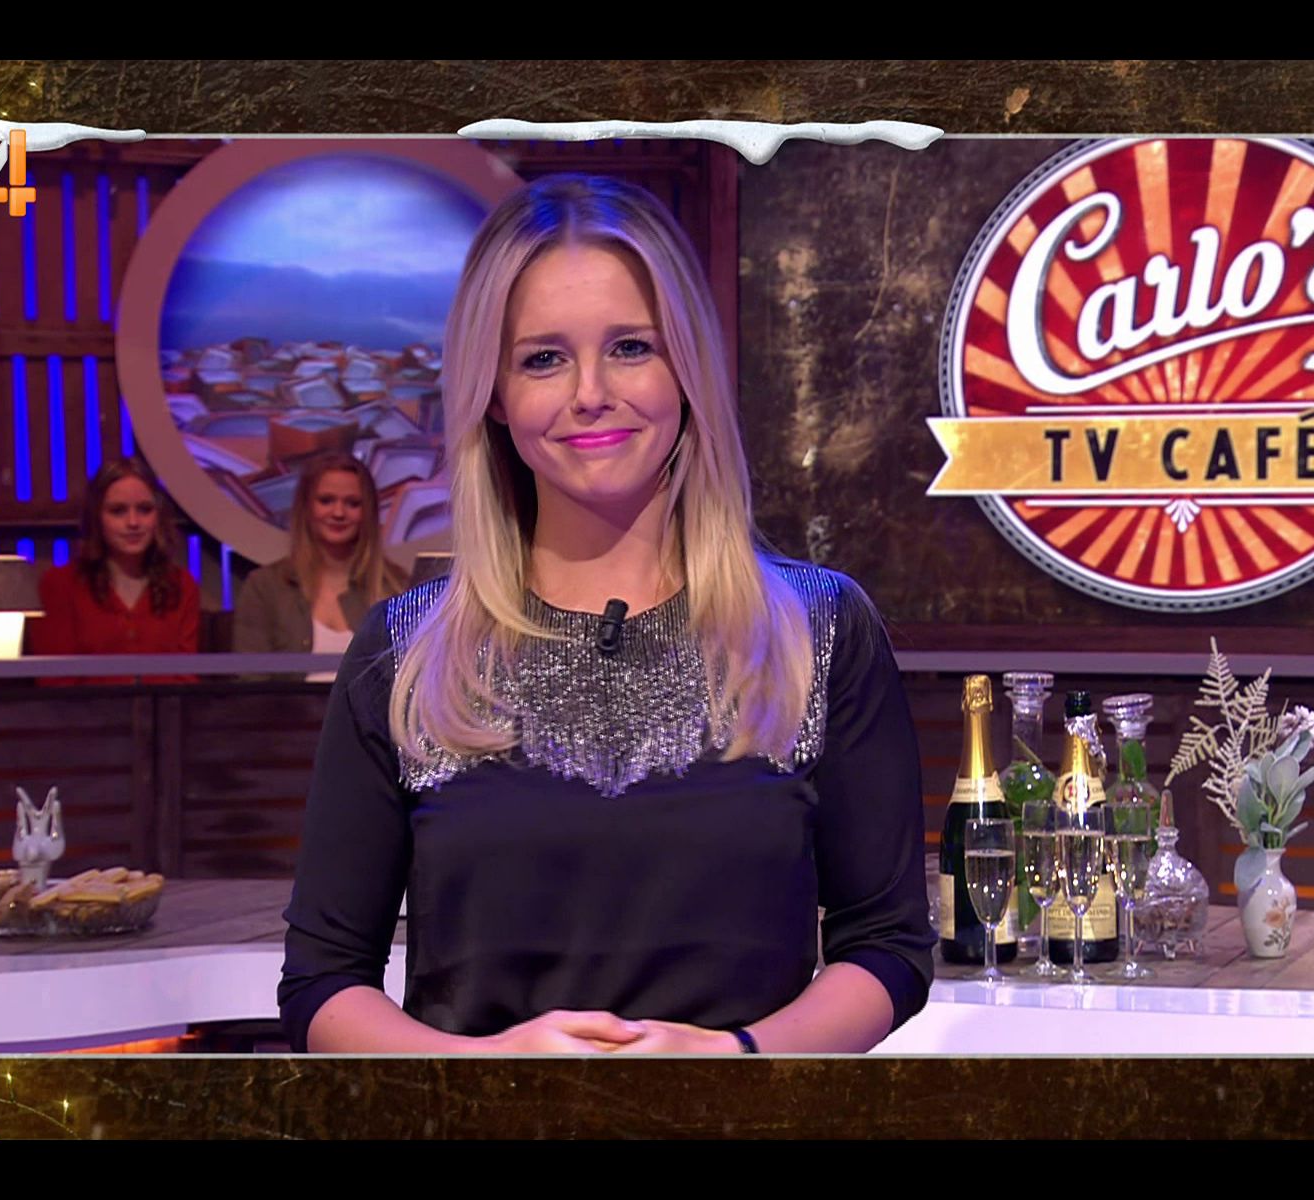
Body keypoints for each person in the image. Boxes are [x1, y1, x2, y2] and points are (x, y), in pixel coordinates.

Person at [278, 175, 934, 1055]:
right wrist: (485, 1067)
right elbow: (322, 982)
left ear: (687, 368)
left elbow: (888, 946)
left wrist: (733, 1058)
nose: (590, 392)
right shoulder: (405, 652)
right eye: (543, 359)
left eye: (630, 347)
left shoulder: (818, 629)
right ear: (494, 393)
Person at [232, 454, 406, 680]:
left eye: (353, 503)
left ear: (368, 512)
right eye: (326, 501)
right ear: (306, 507)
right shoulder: (264, 587)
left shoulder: (396, 587)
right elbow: (250, 683)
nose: (338, 513)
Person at [27, 457, 200, 684]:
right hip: (87, 707)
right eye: (118, 511)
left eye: (145, 509)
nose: (133, 522)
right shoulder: (60, 584)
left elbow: (185, 681)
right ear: (97, 518)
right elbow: (56, 684)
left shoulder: (181, 584)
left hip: (162, 708)